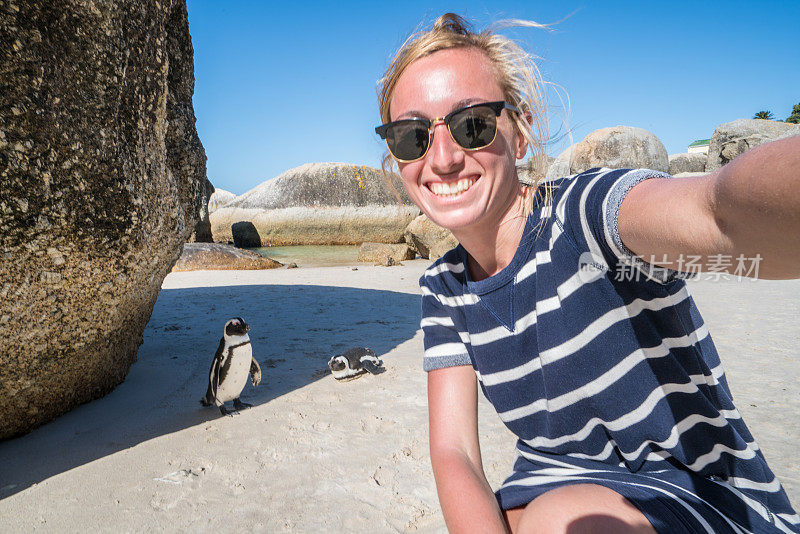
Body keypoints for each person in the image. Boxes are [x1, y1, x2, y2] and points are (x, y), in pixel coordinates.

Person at [374, 12, 800, 534]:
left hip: (700, 492)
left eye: (473, 125)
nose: (442, 158)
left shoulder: (586, 216)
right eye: (411, 137)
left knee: (559, 521)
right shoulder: (444, 289)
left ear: (521, 129)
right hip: (547, 483)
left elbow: (717, 212)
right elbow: (455, 451)